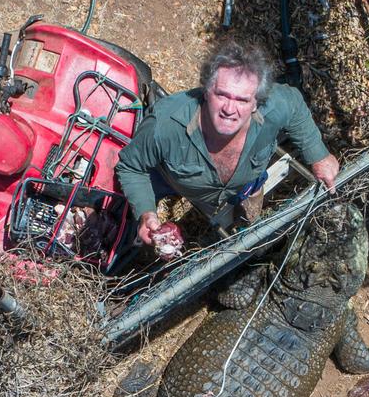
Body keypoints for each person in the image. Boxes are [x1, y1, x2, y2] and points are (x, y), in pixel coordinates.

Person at [115, 39, 340, 246]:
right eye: (222, 95)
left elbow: (294, 104)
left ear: (256, 103)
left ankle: (245, 222)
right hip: (171, 180)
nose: (230, 109)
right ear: (206, 91)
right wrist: (147, 213)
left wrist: (318, 154)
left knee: (249, 209)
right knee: (117, 217)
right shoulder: (165, 125)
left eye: (242, 100)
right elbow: (131, 166)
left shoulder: (273, 106)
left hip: (245, 184)